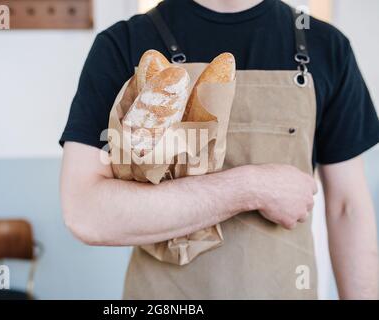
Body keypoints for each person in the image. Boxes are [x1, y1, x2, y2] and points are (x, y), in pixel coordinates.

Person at [59, 0, 379, 299]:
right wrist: (250, 188)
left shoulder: (327, 47)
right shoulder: (123, 44)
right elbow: (85, 214)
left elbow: (346, 208)